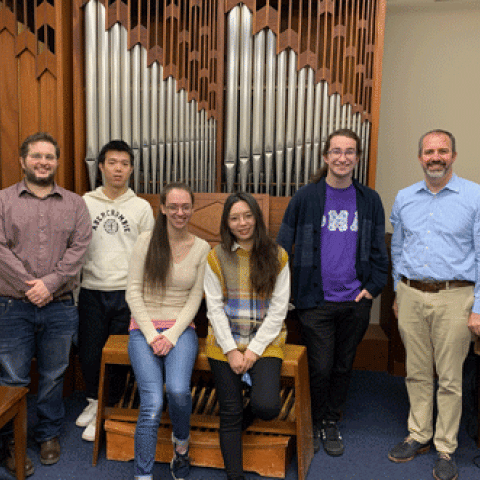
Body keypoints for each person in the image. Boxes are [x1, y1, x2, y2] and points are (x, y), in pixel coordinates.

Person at [277, 128, 388, 456]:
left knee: (343, 364)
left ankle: (330, 418)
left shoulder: (370, 200)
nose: (343, 157)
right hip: (315, 301)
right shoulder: (305, 198)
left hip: (355, 301)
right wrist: (286, 292)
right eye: (336, 151)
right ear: (325, 157)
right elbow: (282, 246)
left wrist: (372, 289)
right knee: (321, 365)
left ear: (357, 158)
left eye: (350, 151)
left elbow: (379, 252)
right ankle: (317, 419)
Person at [388, 129, 480, 480]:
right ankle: (419, 435)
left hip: (456, 297)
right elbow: (398, 247)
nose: (435, 157)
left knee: (451, 378)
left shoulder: (474, 197)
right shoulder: (405, 197)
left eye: (442, 151)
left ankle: (445, 447)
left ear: (453, 155)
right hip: (410, 294)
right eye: (429, 151)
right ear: (420, 157)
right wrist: (398, 290)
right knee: (416, 371)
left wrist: (478, 307)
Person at [0, 132, 92, 475]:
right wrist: (30, 288)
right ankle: (11, 440)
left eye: (49, 157)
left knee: (54, 375)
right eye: (36, 156)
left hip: (60, 305)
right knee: (12, 377)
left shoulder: (75, 204)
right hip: (12, 306)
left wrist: (49, 285)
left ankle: (48, 433)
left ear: (56, 161)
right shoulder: (3, 201)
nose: (43, 162)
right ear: (22, 161)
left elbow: (79, 249)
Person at [126, 182, 210, 480]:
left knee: (177, 391)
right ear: (161, 208)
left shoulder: (201, 248)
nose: (179, 212)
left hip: (181, 329)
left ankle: (181, 448)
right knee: (152, 402)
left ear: (192, 208)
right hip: (143, 329)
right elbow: (133, 292)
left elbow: (195, 298)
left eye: (185, 206)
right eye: (172, 206)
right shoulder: (146, 241)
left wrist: (171, 336)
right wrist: (151, 335)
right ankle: (143, 475)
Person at [204, 192, 290, 480]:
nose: (242, 223)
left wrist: (252, 351)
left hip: (264, 341)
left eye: (247, 215)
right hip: (224, 340)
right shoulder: (216, 256)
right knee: (229, 411)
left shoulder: (278, 255)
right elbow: (214, 309)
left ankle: (237, 423)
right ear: (227, 223)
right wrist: (230, 350)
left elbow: (278, 311)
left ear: (257, 217)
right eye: (234, 218)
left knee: (267, 406)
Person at [76, 140, 154, 441]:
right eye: (112, 162)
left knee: (120, 354)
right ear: (101, 166)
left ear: (131, 168)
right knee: (90, 352)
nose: (118, 168)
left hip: (127, 291)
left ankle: (107, 407)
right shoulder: (85, 202)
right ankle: (95, 402)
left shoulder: (142, 207)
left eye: (124, 163)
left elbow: (149, 253)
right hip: (92, 288)